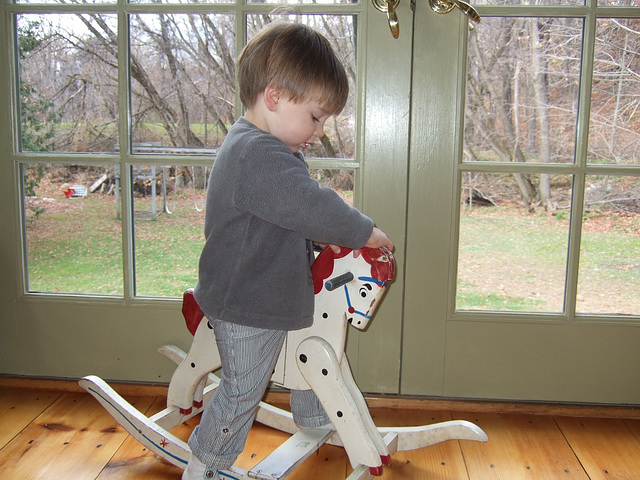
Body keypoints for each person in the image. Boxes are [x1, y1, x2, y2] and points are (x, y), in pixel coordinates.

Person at [183, 20, 393, 480]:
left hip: (267, 291)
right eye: (316, 117)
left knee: (307, 335)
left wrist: (321, 238)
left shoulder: (266, 147)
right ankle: (205, 465)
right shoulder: (257, 154)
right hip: (246, 302)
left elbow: (288, 216)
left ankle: (314, 415)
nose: (319, 130)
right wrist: (363, 232)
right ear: (274, 97)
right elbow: (309, 204)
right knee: (243, 389)